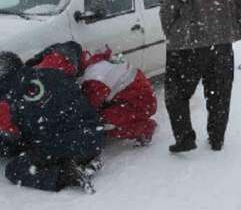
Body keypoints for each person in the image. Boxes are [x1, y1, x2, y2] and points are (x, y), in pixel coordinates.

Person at [158, 0, 241, 153]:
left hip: (187, 43)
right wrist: (229, 18)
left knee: (176, 94)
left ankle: (185, 138)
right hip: (221, 41)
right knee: (219, 91)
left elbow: (168, 4)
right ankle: (217, 138)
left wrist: (171, 31)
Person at [0, 51, 104, 193]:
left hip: (69, 143)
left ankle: (67, 175)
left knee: (15, 169)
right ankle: (77, 158)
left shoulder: (9, 96)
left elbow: (17, 133)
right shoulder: (52, 72)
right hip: (93, 133)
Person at [28, 42, 158, 146]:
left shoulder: (94, 78)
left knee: (98, 122)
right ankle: (128, 119)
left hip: (141, 103)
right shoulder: (91, 61)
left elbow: (88, 111)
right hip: (134, 95)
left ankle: (145, 128)